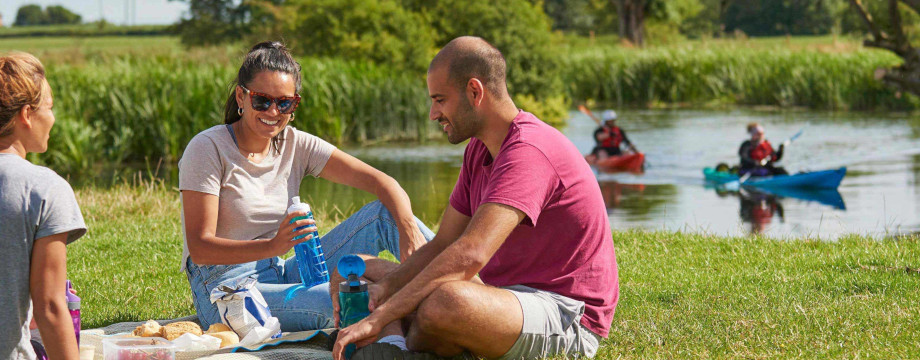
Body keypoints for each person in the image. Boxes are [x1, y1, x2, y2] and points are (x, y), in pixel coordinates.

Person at [330, 36, 619, 360]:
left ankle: (394, 343)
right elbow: (442, 245)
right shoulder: (478, 150)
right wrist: (386, 289)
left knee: (444, 302)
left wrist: (381, 315)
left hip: (564, 316)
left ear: (474, 92)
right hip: (500, 299)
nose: (432, 113)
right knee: (356, 271)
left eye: (440, 100)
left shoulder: (529, 151)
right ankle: (398, 341)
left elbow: (470, 255)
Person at [178, 41, 434, 332]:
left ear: (294, 104)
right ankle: (425, 315)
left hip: (282, 271)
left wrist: (410, 233)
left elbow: (382, 182)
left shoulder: (295, 144)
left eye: (284, 102)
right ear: (241, 96)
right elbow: (200, 248)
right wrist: (274, 245)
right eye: (262, 100)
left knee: (383, 215)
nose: (274, 112)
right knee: (343, 298)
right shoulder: (207, 148)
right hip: (226, 290)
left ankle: (467, 288)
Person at [1, 52, 86, 360]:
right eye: (48, 108)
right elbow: (50, 308)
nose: (52, 118)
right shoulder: (44, 189)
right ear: (26, 114)